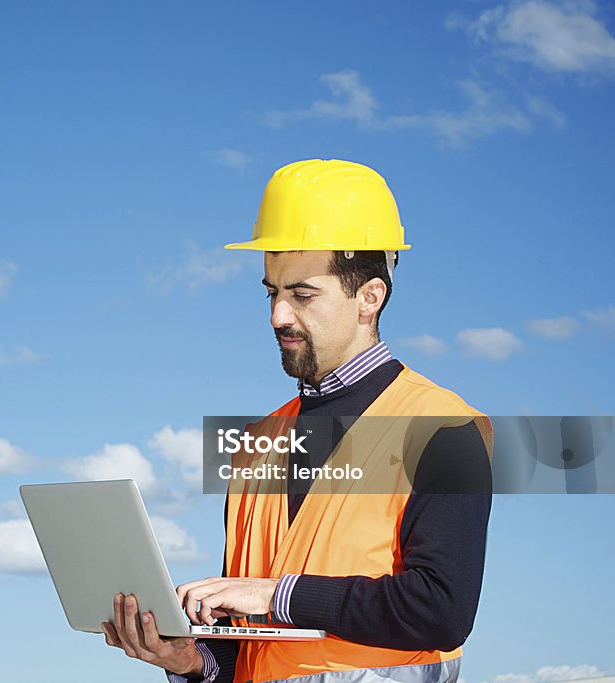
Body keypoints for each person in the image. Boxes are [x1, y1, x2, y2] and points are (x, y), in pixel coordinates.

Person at [101, 159, 493, 683]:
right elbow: (252, 643)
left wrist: (274, 593)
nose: (278, 317)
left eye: (302, 294)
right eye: (272, 292)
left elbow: (441, 610)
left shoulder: (445, 427)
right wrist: (192, 661)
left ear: (369, 297)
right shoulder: (254, 445)